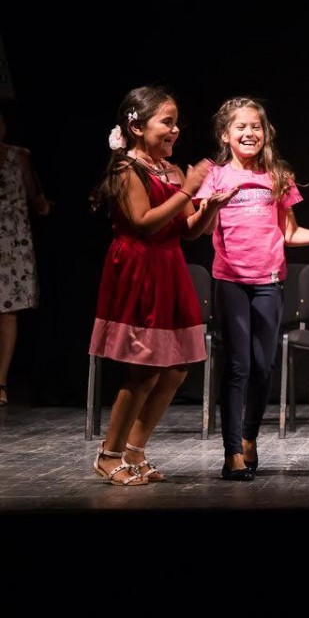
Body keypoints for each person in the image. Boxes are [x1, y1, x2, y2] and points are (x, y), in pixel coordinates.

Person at [196, 97, 309, 481]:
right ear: (225, 135)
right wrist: (212, 205)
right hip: (230, 281)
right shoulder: (215, 176)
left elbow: (289, 233)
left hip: (268, 282)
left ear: (265, 133)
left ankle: (248, 436)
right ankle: (232, 452)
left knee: (263, 366)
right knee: (237, 366)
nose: (249, 133)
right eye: (240, 127)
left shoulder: (277, 176)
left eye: (256, 127)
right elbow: (201, 228)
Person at [88, 86, 237, 484]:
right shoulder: (127, 169)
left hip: (170, 268)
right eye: (166, 122)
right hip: (139, 269)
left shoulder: (171, 170)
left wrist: (210, 208)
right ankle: (108, 455)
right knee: (144, 370)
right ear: (137, 127)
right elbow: (143, 222)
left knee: (176, 368)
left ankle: (135, 450)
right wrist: (189, 188)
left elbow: (188, 229)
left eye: (176, 123)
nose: (175, 130)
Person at [0, 108, 52, 407]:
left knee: (8, 312)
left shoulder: (19, 156)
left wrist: (44, 206)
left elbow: (34, 195)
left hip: (11, 241)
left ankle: (1, 382)